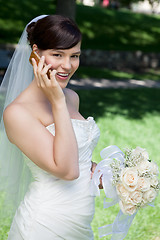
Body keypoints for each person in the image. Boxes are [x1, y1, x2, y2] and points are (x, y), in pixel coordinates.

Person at [0, 15, 100, 239]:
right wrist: (56, 102)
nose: (67, 65)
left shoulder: (71, 97)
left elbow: (77, 159)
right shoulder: (18, 113)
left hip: (79, 224)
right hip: (45, 224)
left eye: (75, 56)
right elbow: (67, 170)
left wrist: (97, 171)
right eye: (57, 54)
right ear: (36, 53)